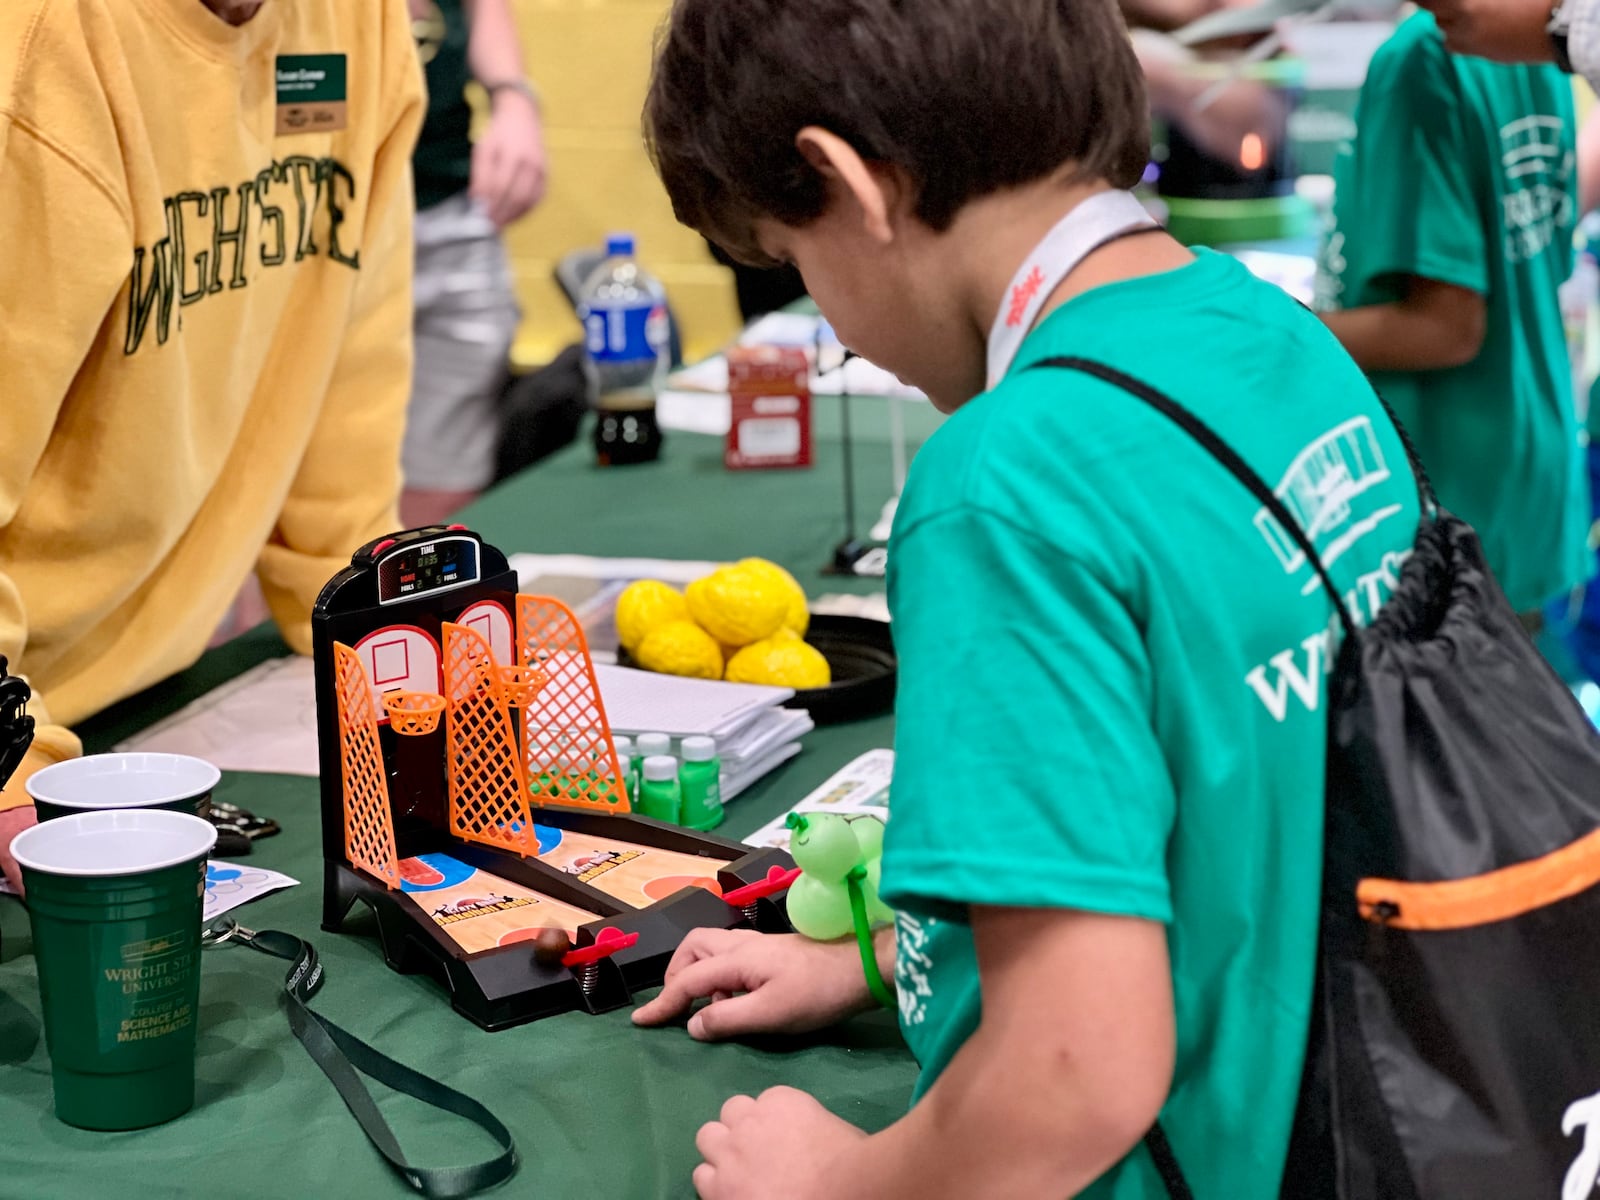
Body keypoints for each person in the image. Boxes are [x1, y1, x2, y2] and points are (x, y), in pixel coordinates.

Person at [632, 1, 1420, 1196]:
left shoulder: (1001, 485)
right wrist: (905, 958)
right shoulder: (1275, 331)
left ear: (844, 180)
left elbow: (1074, 1079)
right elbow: (1229, 812)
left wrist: (837, 1183)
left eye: (798, 266)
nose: (839, 331)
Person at [0, 0, 424, 892]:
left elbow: (353, 343)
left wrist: (366, 621)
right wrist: (7, 771)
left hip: (144, 702)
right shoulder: (38, 50)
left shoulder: (357, 23)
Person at [1315, 9, 1585, 619]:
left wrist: (1275, 326)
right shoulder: (1536, 41)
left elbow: (1447, 328)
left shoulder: (1425, 55)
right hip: (1530, 476)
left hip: (1453, 503)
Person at [400, 0, 547, 528]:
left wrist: (514, 99)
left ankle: (415, 610)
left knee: (444, 485)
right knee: (291, 486)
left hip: (449, 203)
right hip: (318, 220)